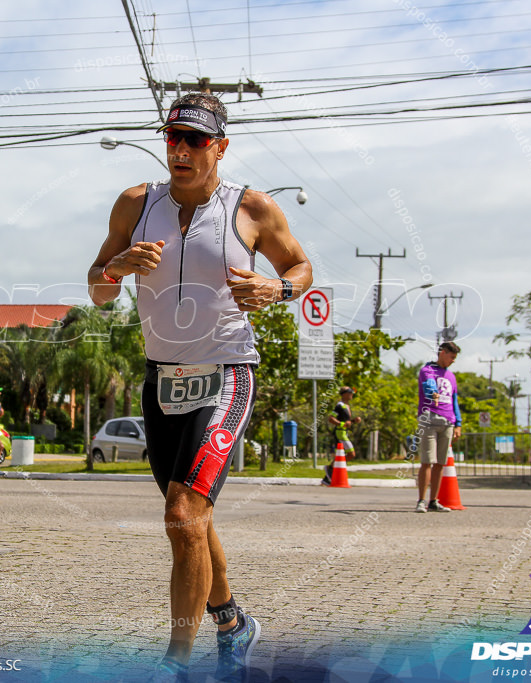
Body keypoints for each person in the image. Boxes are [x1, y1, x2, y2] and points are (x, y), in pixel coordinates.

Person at [88, 92, 312, 681]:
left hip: (227, 374)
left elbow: (301, 268)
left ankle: (176, 665)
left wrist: (276, 292)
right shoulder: (136, 205)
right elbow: (98, 289)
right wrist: (117, 269)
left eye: (195, 141)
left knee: (184, 513)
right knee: (188, 515)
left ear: (220, 147)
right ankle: (234, 624)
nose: (181, 150)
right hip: (162, 379)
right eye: (173, 138)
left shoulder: (252, 209)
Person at [414, 341, 461, 513]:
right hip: (430, 419)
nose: (453, 361)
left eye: (455, 358)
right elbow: (429, 384)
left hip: (448, 421)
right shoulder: (427, 370)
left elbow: (455, 400)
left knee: (440, 463)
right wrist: (433, 393)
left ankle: (433, 500)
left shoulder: (451, 376)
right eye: (451, 357)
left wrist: (458, 423)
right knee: (427, 461)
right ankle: (421, 500)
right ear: (442, 353)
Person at [325, 386, 362, 484]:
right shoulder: (339, 405)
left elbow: (346, 422)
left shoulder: (347, 406)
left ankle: (327, 477)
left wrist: (354, 421)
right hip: (340, 433)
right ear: (344, 394)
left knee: (345, 455)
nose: (352, 394)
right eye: (350, 392)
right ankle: (330, 468)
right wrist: (342, 424)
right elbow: (331, 418)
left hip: (344, 432)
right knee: (351, 454)